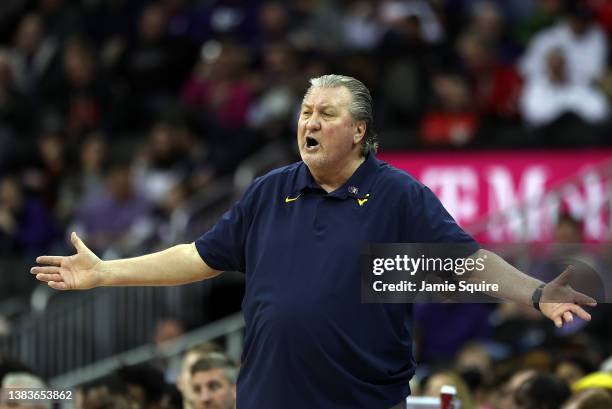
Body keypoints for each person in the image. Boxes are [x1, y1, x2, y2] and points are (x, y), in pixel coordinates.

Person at [32, 75, 596, 409]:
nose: (311, 121)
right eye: (306, 112)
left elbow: (470, 265)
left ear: (359, 132)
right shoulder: (270, 191)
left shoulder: (397, 194)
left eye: (327, 113)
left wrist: (538, 292)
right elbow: (198, 257)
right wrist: (107, 273)